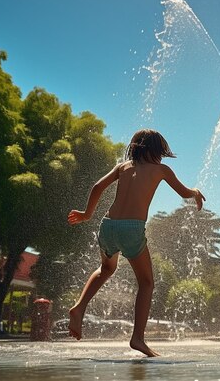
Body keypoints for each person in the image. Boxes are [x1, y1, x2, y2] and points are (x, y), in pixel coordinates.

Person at [67, 129, 205, 357]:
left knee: (106, 268)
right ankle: (138, 338)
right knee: (147, 282)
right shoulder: (161, 170)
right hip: (132, 229)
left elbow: (97, 187)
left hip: (108, 225)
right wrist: (196, 192)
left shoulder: (123, 167)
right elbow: (184, 192)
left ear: (135, 148)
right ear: (158, 151)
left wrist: (86, 214)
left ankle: (79, 307)